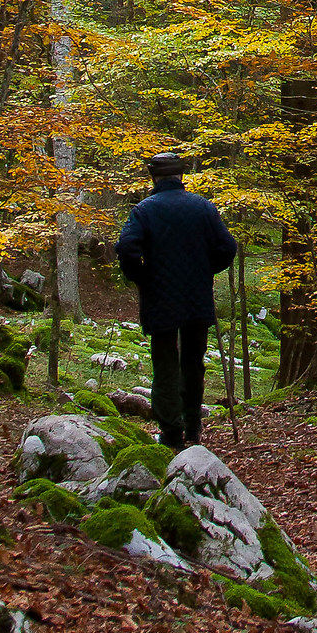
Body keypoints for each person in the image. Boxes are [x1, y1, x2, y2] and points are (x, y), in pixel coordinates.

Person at [117, 153, 238, 450]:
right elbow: (227, 247)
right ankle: (193, 428)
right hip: (196, 298)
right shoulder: (203, 207)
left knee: (165, 363)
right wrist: (205, 269)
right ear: (180, 176)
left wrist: (141, 276)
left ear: (154, 177)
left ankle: (171, 431)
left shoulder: (144, 211)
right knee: (193, 363)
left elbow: (127, 248)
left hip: (160, 299)